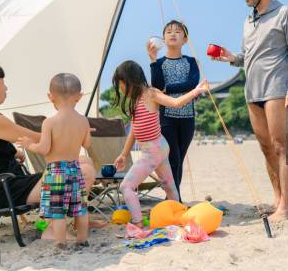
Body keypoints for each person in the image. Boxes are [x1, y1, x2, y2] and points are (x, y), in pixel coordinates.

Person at [0, 63, 100, 239]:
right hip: (2, 189)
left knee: (83, 163)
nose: (7, 88)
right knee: (84, 169)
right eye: (3, 83)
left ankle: (72, 220)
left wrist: (14, 153)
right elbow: (39, 138)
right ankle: (52, 228)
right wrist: (76, 130)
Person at [211, 0, 288, 222]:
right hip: (251, 91)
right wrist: (233, 58)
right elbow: (249, 56)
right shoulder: (248, 21)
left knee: (281, 146)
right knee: (266, 148)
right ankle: (277, 199)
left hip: (277, 87)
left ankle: (285, 207)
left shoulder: (286, 13)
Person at [112, 60, 208, 226]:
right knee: (170, 186)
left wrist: (195, 91)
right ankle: (180, 217)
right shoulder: (135, 100)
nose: (120, 89)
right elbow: (134, 129)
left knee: (126, 187)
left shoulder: (151, 94)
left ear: (129, 81)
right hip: (158, 148)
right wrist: (124, 154)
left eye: (121, 85)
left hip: (154, 150)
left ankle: (138, 223)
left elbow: (175, 103)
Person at [18, 73, 90, 248]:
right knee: (80, 208)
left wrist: (29, 144)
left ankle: (60, 242)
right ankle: (82, 240)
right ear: (79, 97)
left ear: (50, 97)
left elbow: (44, 149)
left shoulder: (49, 122)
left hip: (56, 171)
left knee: (57, 212)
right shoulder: (84, 121)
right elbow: (87, 144)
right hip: (75, 169)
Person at [148, 19, 199, 202]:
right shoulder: (159, 63)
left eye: (178, 31)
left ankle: (172, 197)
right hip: (166, 118)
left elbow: (192, 84)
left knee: (180, 159)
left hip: (187, 117)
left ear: (185, 39)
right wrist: (153, 60)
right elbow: (157, 86)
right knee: (173, 159)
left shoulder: (192, 61)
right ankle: (175, 200)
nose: (173, 33)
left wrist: (168, 90)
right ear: (163, 38)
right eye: (169, 31)